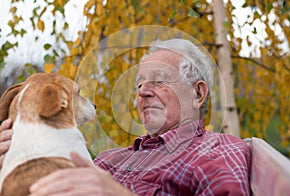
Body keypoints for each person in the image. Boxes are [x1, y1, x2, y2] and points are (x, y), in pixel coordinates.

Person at [0, 39, 250, 195]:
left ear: (198, 93)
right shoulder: (109, 160)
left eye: (159, 80)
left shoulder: (217, 151)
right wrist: (10, 163)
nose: (142, 90)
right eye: (139, 84)